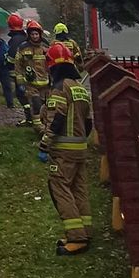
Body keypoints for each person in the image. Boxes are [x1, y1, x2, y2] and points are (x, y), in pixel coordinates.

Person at [39, 43, 94, 254]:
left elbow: (56, 119)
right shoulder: (80, 88)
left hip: (63, 151)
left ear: (51, 66)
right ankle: (86, 231)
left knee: (60, 190)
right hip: (80, 148)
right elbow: (88, 122)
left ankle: (76, 238)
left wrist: (45, 145)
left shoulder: (60, 88)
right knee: (79, 190)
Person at [15, 20, 50, 126]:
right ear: (29, 35)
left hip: (45, 83)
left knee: (45, 106)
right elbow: (18, 64)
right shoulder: (23, 47)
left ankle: (44, 125)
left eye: (36, 34)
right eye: (32, 34)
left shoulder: (45, 46)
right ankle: (37, 126)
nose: (35, 36)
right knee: (35, 104)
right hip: (31, 83)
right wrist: (20, 82)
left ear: (40, 34)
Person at [6, 12, 29, 120]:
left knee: (21, 95)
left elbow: (11, 58)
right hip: (28, 71)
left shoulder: (14, 40)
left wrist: (6, 61)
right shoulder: (24, 37)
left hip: (18, 72)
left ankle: (29, 116)